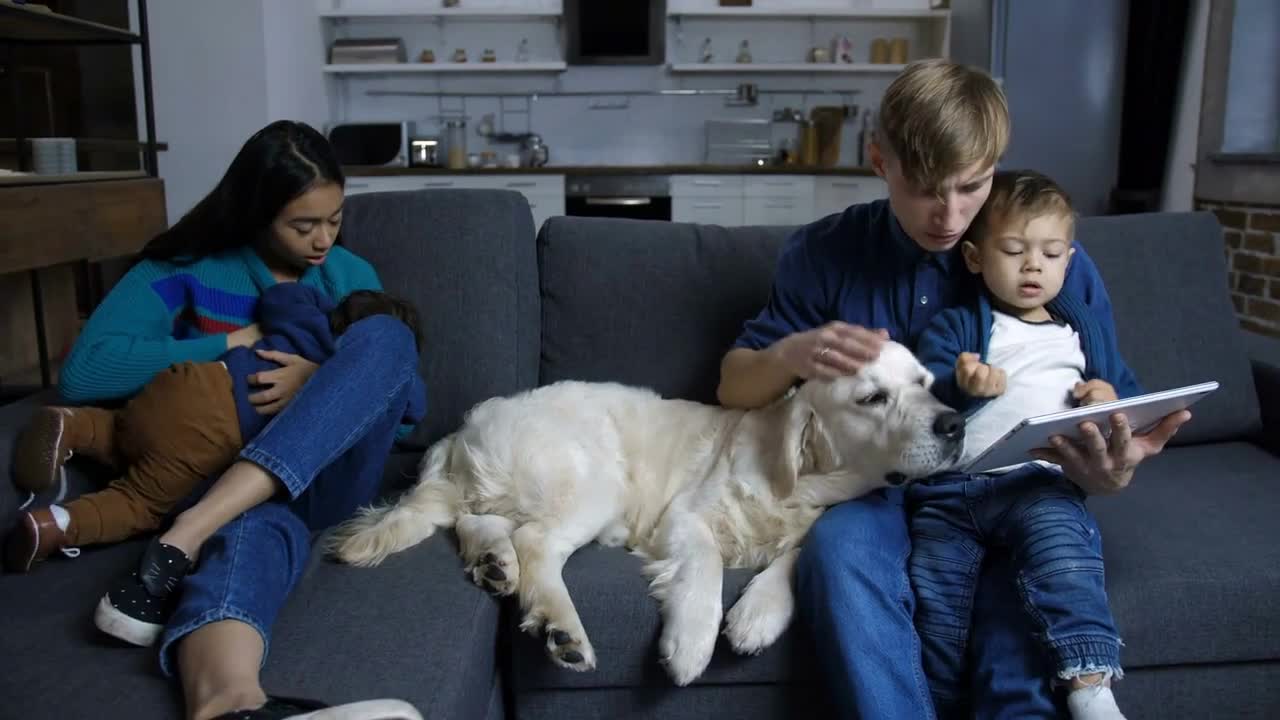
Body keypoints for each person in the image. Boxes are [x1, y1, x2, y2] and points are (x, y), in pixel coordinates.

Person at [716, 60, 1190, 718]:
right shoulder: (824, 251)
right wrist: (793, 352)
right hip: (870, 487)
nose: (951, 214)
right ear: (880, 160)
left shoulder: (1041, 258)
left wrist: (1112, 467)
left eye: (973, 186)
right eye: (926, 189)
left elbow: (1107, 400)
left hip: (1008, 485)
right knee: (836, 552)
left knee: (1019, 597)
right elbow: (734, 386)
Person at [44, 120, 426, 720]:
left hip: (327, 478)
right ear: (255, 212)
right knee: (247, 535)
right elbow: (85, 373)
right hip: (224, 483)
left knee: (387, 334)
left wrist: (316, 380)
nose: (324, 240)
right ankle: (233, 709)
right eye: (303, 225)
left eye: (334, 219)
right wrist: (233, 343)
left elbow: (403, 407)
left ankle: (187, 533)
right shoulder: (187, 270)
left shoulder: (349, 276)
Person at [911, 169, 1136, 720]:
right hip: (949, 494)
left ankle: (1089, 687)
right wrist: (959, 388)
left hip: (1038, 485)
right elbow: (919, 408)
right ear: (974, 258)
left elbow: (1126, 402)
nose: (1032, 264)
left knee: (1065, 562)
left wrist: (1107, 399)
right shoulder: (956, 327)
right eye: (1013, 250)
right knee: (936, 606)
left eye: (1051, 252)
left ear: (1069, 260)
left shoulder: (1077, 332)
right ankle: (939, 703)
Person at [6, 286, 425, 575]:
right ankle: (57, 524)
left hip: (196, 381)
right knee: (140, 503)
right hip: (221, 429)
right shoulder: (370, 358)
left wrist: (321, 306)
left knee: (122, 429)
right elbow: (412, 407)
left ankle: (75, 426)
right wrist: (331, 374)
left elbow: (281, 296)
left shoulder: (303, 319)